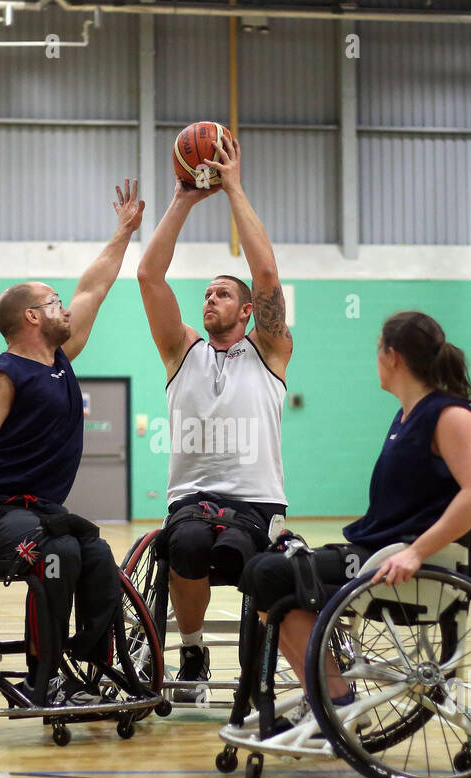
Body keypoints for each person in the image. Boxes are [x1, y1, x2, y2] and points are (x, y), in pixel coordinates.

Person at [239, 311, 471, 729]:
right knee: (266, 571)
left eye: (378, 350)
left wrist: (416, 552)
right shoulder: (406, 416)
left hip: (409, 564)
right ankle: (325, 694)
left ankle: (335, 701)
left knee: (269, 575)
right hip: (376, 553)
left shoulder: (450, 416)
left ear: (392, 357)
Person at [0, 180, 144, 707]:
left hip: (45, 509)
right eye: (54, 302)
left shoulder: (61, 357)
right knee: (56, 556)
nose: (65, 308)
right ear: (32, 317)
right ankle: (43, 675)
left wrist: (123, 233)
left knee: (97, 554)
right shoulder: (0, 378)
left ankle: (90, 663)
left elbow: (94, 287)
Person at [137, 133, 292, 701]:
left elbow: (268, 274)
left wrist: (233, 189)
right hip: (193, 497)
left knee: (237, 553)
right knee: (190, 545)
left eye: (223, 293)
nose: (210, 299)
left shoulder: (270, 351)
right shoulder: (183, 351)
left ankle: (255, 658)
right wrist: (181, 199)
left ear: (247, 310)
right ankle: (194, 650)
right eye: (206, 293)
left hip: (256, 503)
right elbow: (150, 278)